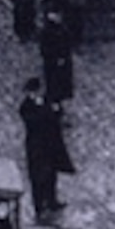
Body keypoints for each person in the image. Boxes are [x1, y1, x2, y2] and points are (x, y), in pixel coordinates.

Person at [21, 86, 75, 221]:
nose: (35, 94)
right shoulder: (26, 106)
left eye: (36, 91)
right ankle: (39, 207)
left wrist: (56, 111)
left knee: (51, 174)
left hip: (49, 146)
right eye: (32, 92)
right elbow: (34, 120)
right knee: (37, 177)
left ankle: (51, 201)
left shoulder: (46, 102)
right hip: (36, 148)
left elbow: (55, 116)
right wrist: (48, 112)